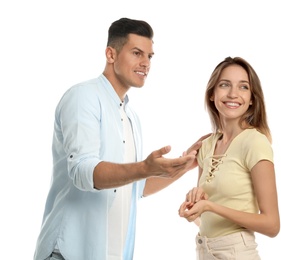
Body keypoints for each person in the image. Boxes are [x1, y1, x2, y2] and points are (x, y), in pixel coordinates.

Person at [34, 17, 208, 260]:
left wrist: (185, 164)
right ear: (110, 54)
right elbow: (83, 172)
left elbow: (136, 187)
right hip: (69, 253)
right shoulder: (83, 97)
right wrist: (144, 168)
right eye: (137, 53)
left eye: (150, 56)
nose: (145, 63)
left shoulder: (130, 116)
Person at [178, 57, 280, 259]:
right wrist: (194, 210)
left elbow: (272, 225)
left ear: (252, 98)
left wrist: (210, 206)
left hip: (237, 253)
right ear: (212, 94)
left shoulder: (255, 142)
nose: (233, 94)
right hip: (205, 250)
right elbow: (207, 217)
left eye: (243, 87)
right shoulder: (207, 145)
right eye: (225, 85)